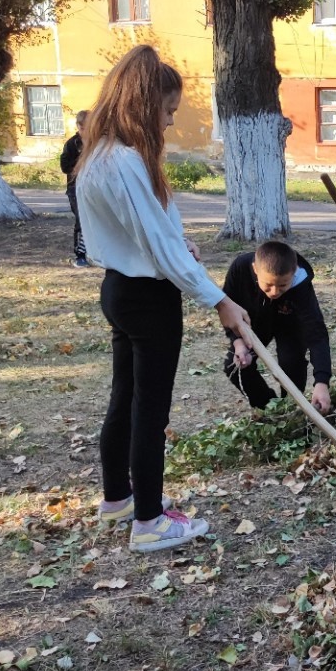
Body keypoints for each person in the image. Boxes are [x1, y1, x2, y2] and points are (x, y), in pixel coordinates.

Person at [75, 45, 249, 552]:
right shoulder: (123, 162)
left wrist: (179, 244)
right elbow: (156, 244)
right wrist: (220, 300)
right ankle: (149, 521)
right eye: (168, 110)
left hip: (121, 289)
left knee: (125, 396)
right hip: (147, 299)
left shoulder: (100, 154)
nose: (171, 122)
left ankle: (118, 498)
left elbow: (148, 230)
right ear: (143, 102)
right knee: (151, 410)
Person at [223, 241, 333, 412]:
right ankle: (272, 410)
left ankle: (292, 408)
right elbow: (227, 308)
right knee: (235, 364)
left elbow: (316, 334)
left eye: (282, 285)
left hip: (290, 323)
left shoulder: (301, 285)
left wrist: (322, 382)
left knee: (291, 364)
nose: (274, 292)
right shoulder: (240, 268)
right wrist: (237, 340)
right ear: (255, 269)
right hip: (253, 322)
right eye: (268, 284)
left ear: (294, 271)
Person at [59, 111, 89, 267]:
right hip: (75, 189)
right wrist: (81, 165)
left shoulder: (98, 142)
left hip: (94, 188)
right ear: (79, 126)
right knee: (81, 220)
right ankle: (80, 255)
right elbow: (65, 166)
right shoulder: (72, 144)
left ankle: (98, 253)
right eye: (87, 127)